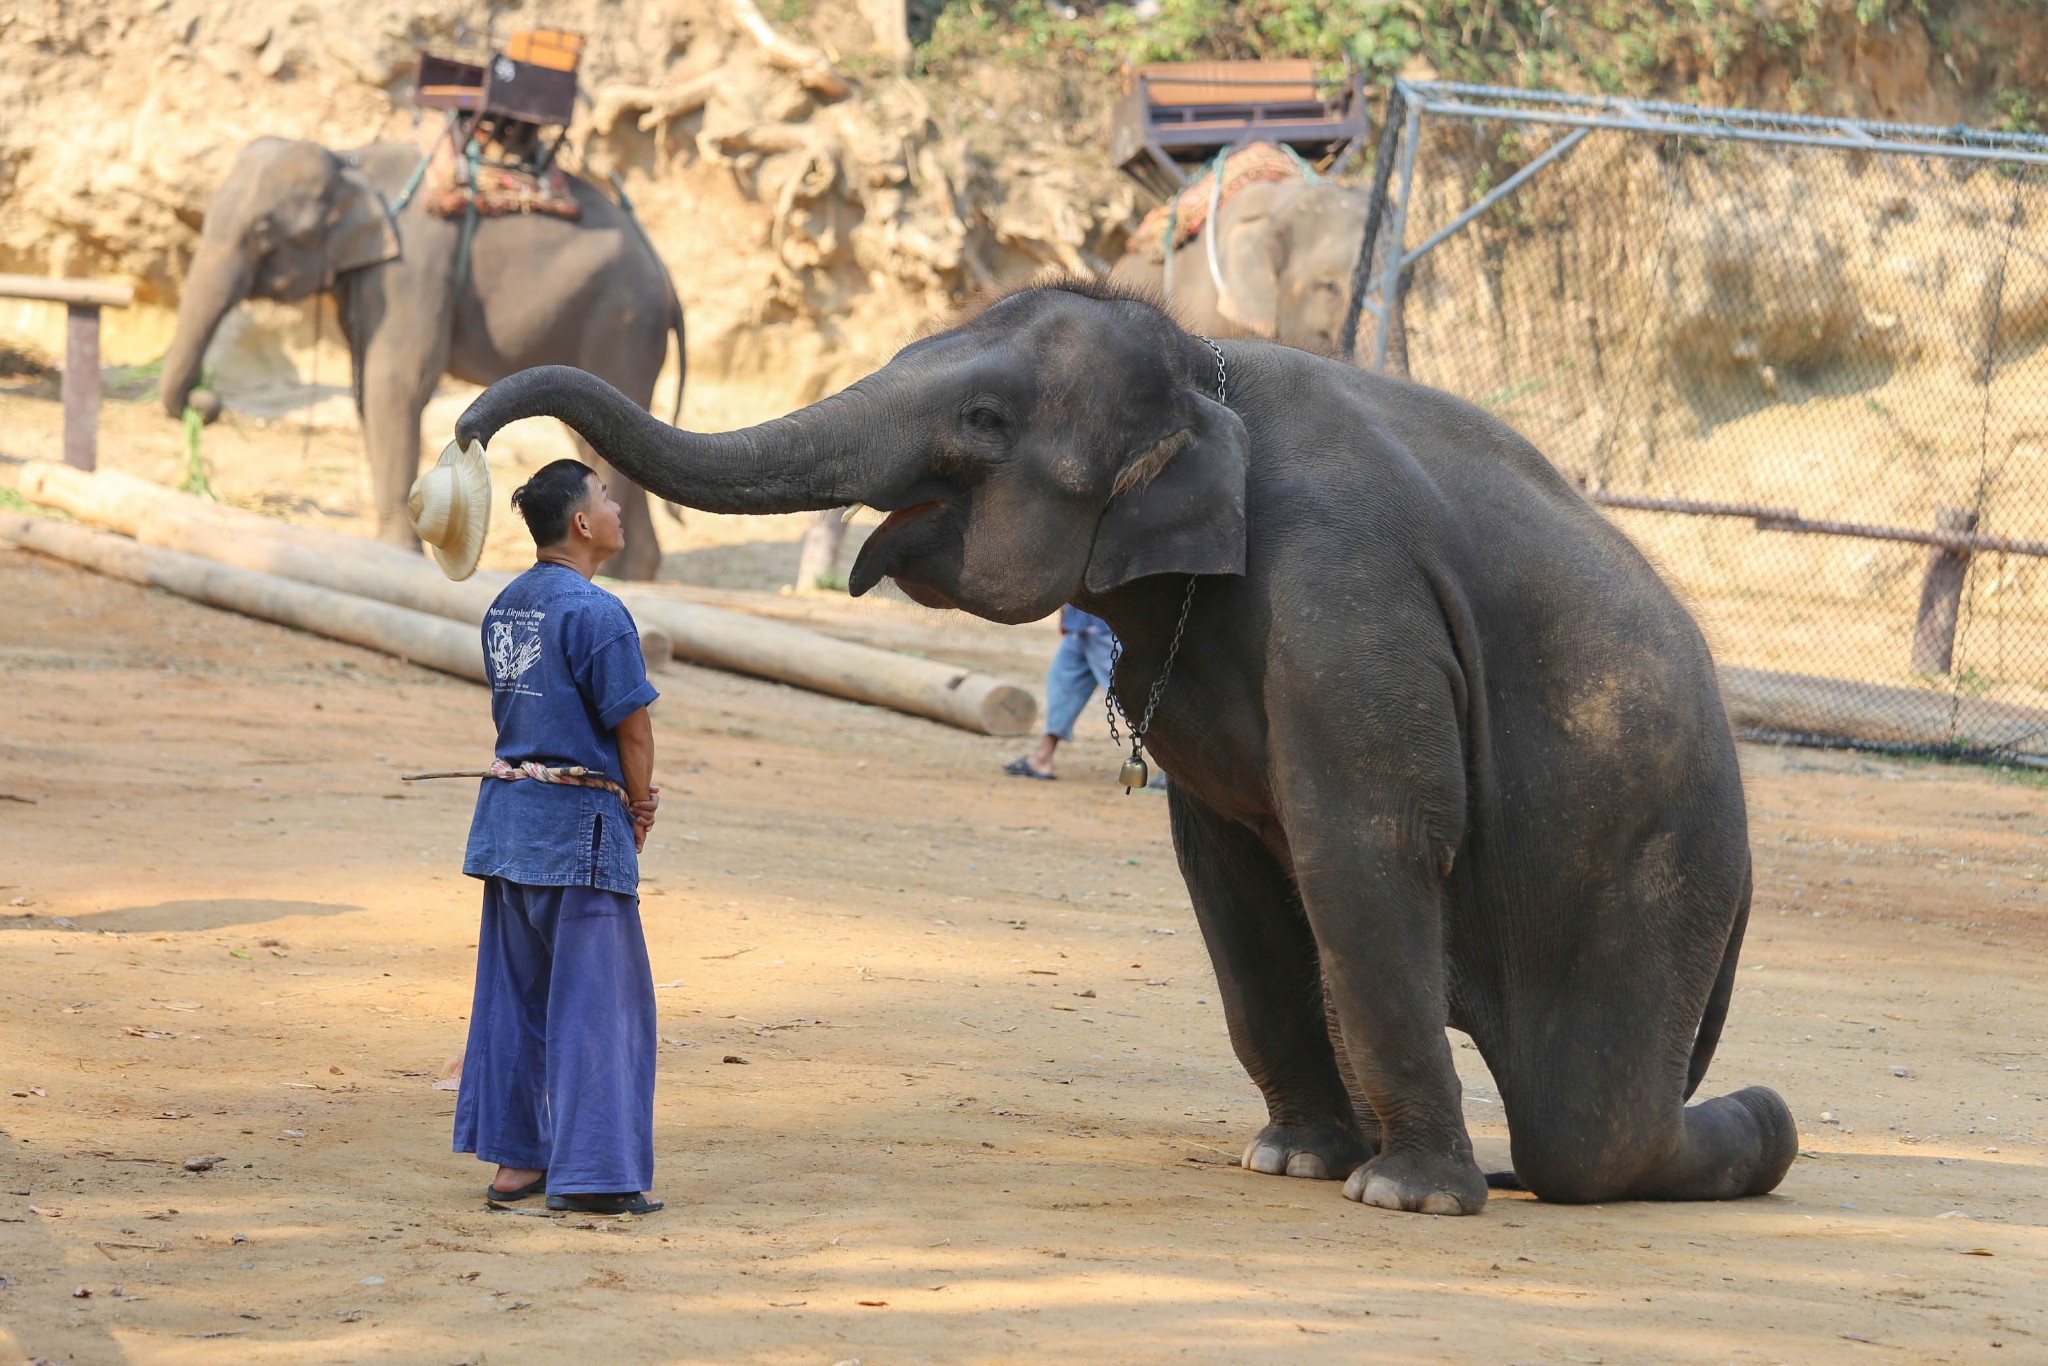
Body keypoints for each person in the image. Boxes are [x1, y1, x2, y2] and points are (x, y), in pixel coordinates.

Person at [450, 456, 666, 1216]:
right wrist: (640, 808)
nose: (616, 507)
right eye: (607, 496)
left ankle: (517, 1166)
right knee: (599, 1005)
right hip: (579, 834)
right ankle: (597, 1174)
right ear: (581, 523)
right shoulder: (598, 613)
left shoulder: (505, 605)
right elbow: (632, 733)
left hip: (508, 826)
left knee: (515, 1001)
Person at [1005, 604, 1163, 787]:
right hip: (1079, 623)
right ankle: (1042, 757)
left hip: (1107, 625)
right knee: (1063, 685)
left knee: (1134, 698)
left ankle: (1172, 768)